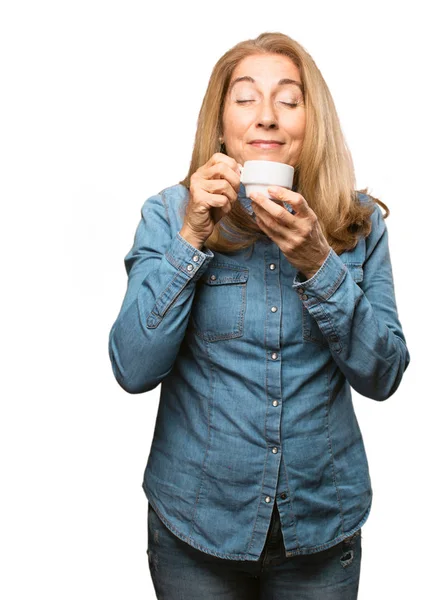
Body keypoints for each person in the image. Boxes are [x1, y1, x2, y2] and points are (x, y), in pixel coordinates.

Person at [108, 31, 410, 600]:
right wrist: (193, 235)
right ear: (221, 123)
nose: (267, 116)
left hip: (322, 528)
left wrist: (318, 263)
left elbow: (384, 374)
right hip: (194, 527)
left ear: (309, 122)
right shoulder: (169, 213)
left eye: (288, 100)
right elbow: (132, 368)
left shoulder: (357, 221)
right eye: (246, 98)